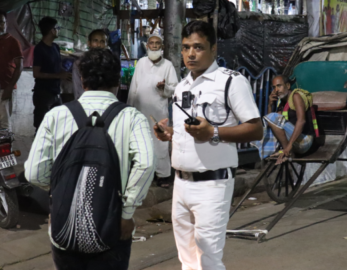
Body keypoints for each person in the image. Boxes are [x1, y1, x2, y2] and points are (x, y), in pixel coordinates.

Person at [25, 48, 155, 270]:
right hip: (113, 228)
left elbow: (34, 173)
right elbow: (146, 164)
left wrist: (61, 190)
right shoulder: (132, 118)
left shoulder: (56, 115)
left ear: (82, 79)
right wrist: (127, 212)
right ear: (117, 81)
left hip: (63, 226)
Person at [153, 21, 262, 270]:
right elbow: (189, 131)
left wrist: (212, 132)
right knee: (187, 259)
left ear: (214, 49)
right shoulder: (181, 87)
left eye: (198, 47)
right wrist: (169, 134)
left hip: (213, 184)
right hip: (180, 183)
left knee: (209, 259)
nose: (190, 54)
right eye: (186, 47)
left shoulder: (231, 82)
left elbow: (256, 129)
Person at [127, 32, 178, 187]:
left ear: (161, 47)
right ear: (147, 46)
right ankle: (143, 175)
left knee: (160, 142)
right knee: (140, 141)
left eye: (157, 43)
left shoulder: (167, 65)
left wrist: (165, 87)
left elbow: (175, 88)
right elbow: (133, 87)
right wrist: (129, 108)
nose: (154, 46)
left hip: (158, 111)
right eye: (152, 43)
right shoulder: (141, 63)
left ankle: (163, 176)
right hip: (140, 110)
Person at [251, 75, 315, 164]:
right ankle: (280, 150)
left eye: (279, 86)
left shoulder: (296, 96)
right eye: (274, 87)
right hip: (294, 142)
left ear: (288, 86)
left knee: (272, 117)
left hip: (304, 141)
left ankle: (287, 152)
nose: (276, 90)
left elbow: (301, 121)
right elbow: (272, 124)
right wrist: (270, 104)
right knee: (267, 121)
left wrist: (288, 148)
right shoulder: (282, 102)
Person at [32, 16, 71, 131]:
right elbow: (36, 74)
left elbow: (57, 68)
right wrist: (59, 76)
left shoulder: (55, 47)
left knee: (57, 126)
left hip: (55, 93)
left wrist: (67, 74)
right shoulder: (39, 49)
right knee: (41, 127)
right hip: (43, 94)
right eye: (57, 27)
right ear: (52, 30)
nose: (58, 30)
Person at [72, 29, 109, 100]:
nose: (99, 45)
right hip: (85, 104)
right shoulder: (79, 63)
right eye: (95, 41)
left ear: (106, 44)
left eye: (102, 41)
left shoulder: (109, 63)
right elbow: (77, 89)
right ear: (89, 43)